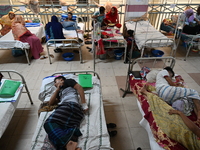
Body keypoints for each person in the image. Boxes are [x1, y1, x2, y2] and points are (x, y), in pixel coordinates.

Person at [44, 76, 88, 150]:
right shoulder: (59, 91)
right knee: (54, 134)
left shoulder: (68, 82)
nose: (54, 84)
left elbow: (79, 88)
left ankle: (68, 143)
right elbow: (51, 103)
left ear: (61, 79)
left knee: (49, 123)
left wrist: (84, 104)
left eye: (55, 82)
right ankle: (71, 146)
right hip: (73, 112)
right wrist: (57, 89)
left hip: (69, 105)